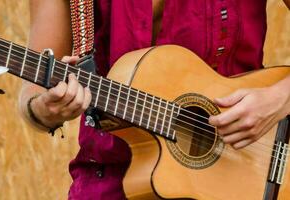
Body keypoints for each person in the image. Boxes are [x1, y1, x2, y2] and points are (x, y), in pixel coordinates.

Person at [19, 0, 290, 199]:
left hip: (243, 177)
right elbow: (32, 97)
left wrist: (277, 99)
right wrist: (45, 109)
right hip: (111, 182)